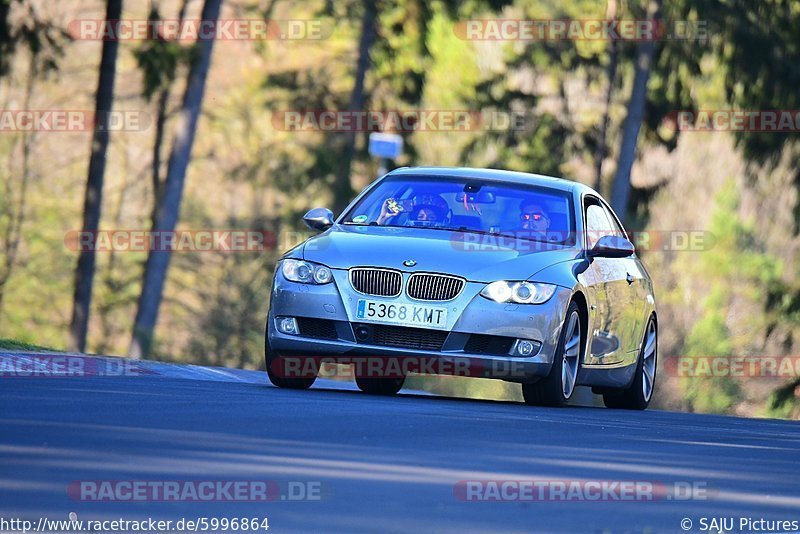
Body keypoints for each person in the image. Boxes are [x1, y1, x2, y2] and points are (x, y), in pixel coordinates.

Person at [377, 194, 448, 226]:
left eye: (431, 218)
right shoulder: (402, 234)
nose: (425, 221)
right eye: (420, 217)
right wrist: (383, 217)